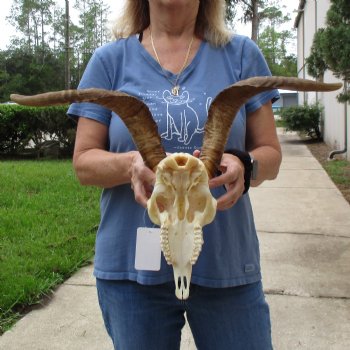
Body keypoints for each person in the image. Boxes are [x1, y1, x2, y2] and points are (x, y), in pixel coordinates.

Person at [68, 0, 281, 349]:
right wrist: (130, 164)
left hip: (226, 268)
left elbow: (270, 154)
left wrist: (245, 165)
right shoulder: (109, 61)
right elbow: (83, 163)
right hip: (133, 277)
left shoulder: (241, 55)